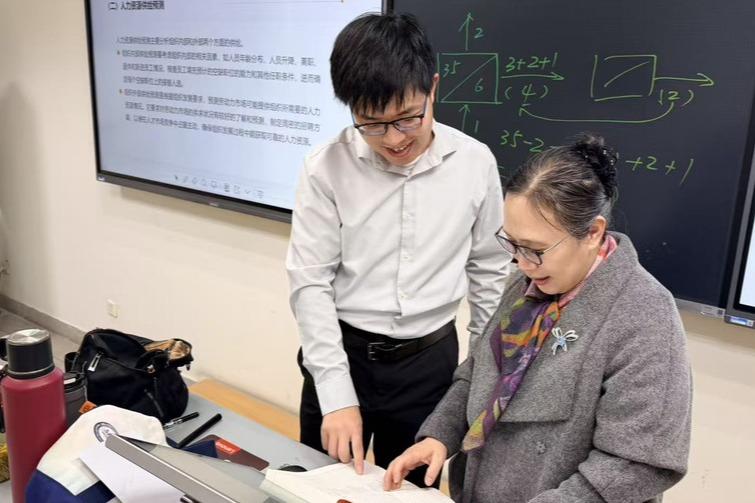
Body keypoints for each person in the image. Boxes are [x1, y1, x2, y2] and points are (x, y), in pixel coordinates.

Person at [384, 134, 692, 502]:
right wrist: (439, 436)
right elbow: (477, 373)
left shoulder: (644, 314)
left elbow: (638, 462)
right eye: (512, 244)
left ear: (593, 232)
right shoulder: (526, 285)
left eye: (536, 250)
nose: (522, 263)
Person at [285, 13, 510, 485]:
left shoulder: (475, 163)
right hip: (341, 354)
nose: (394, 139)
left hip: (428, 364)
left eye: (408, 118)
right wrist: (336, 396)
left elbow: (489, 272)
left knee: (407, 491)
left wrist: (478, 376)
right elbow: (310, 281)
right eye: (372, 124)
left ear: (433, 88)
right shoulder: (326, 167)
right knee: (319, 485)